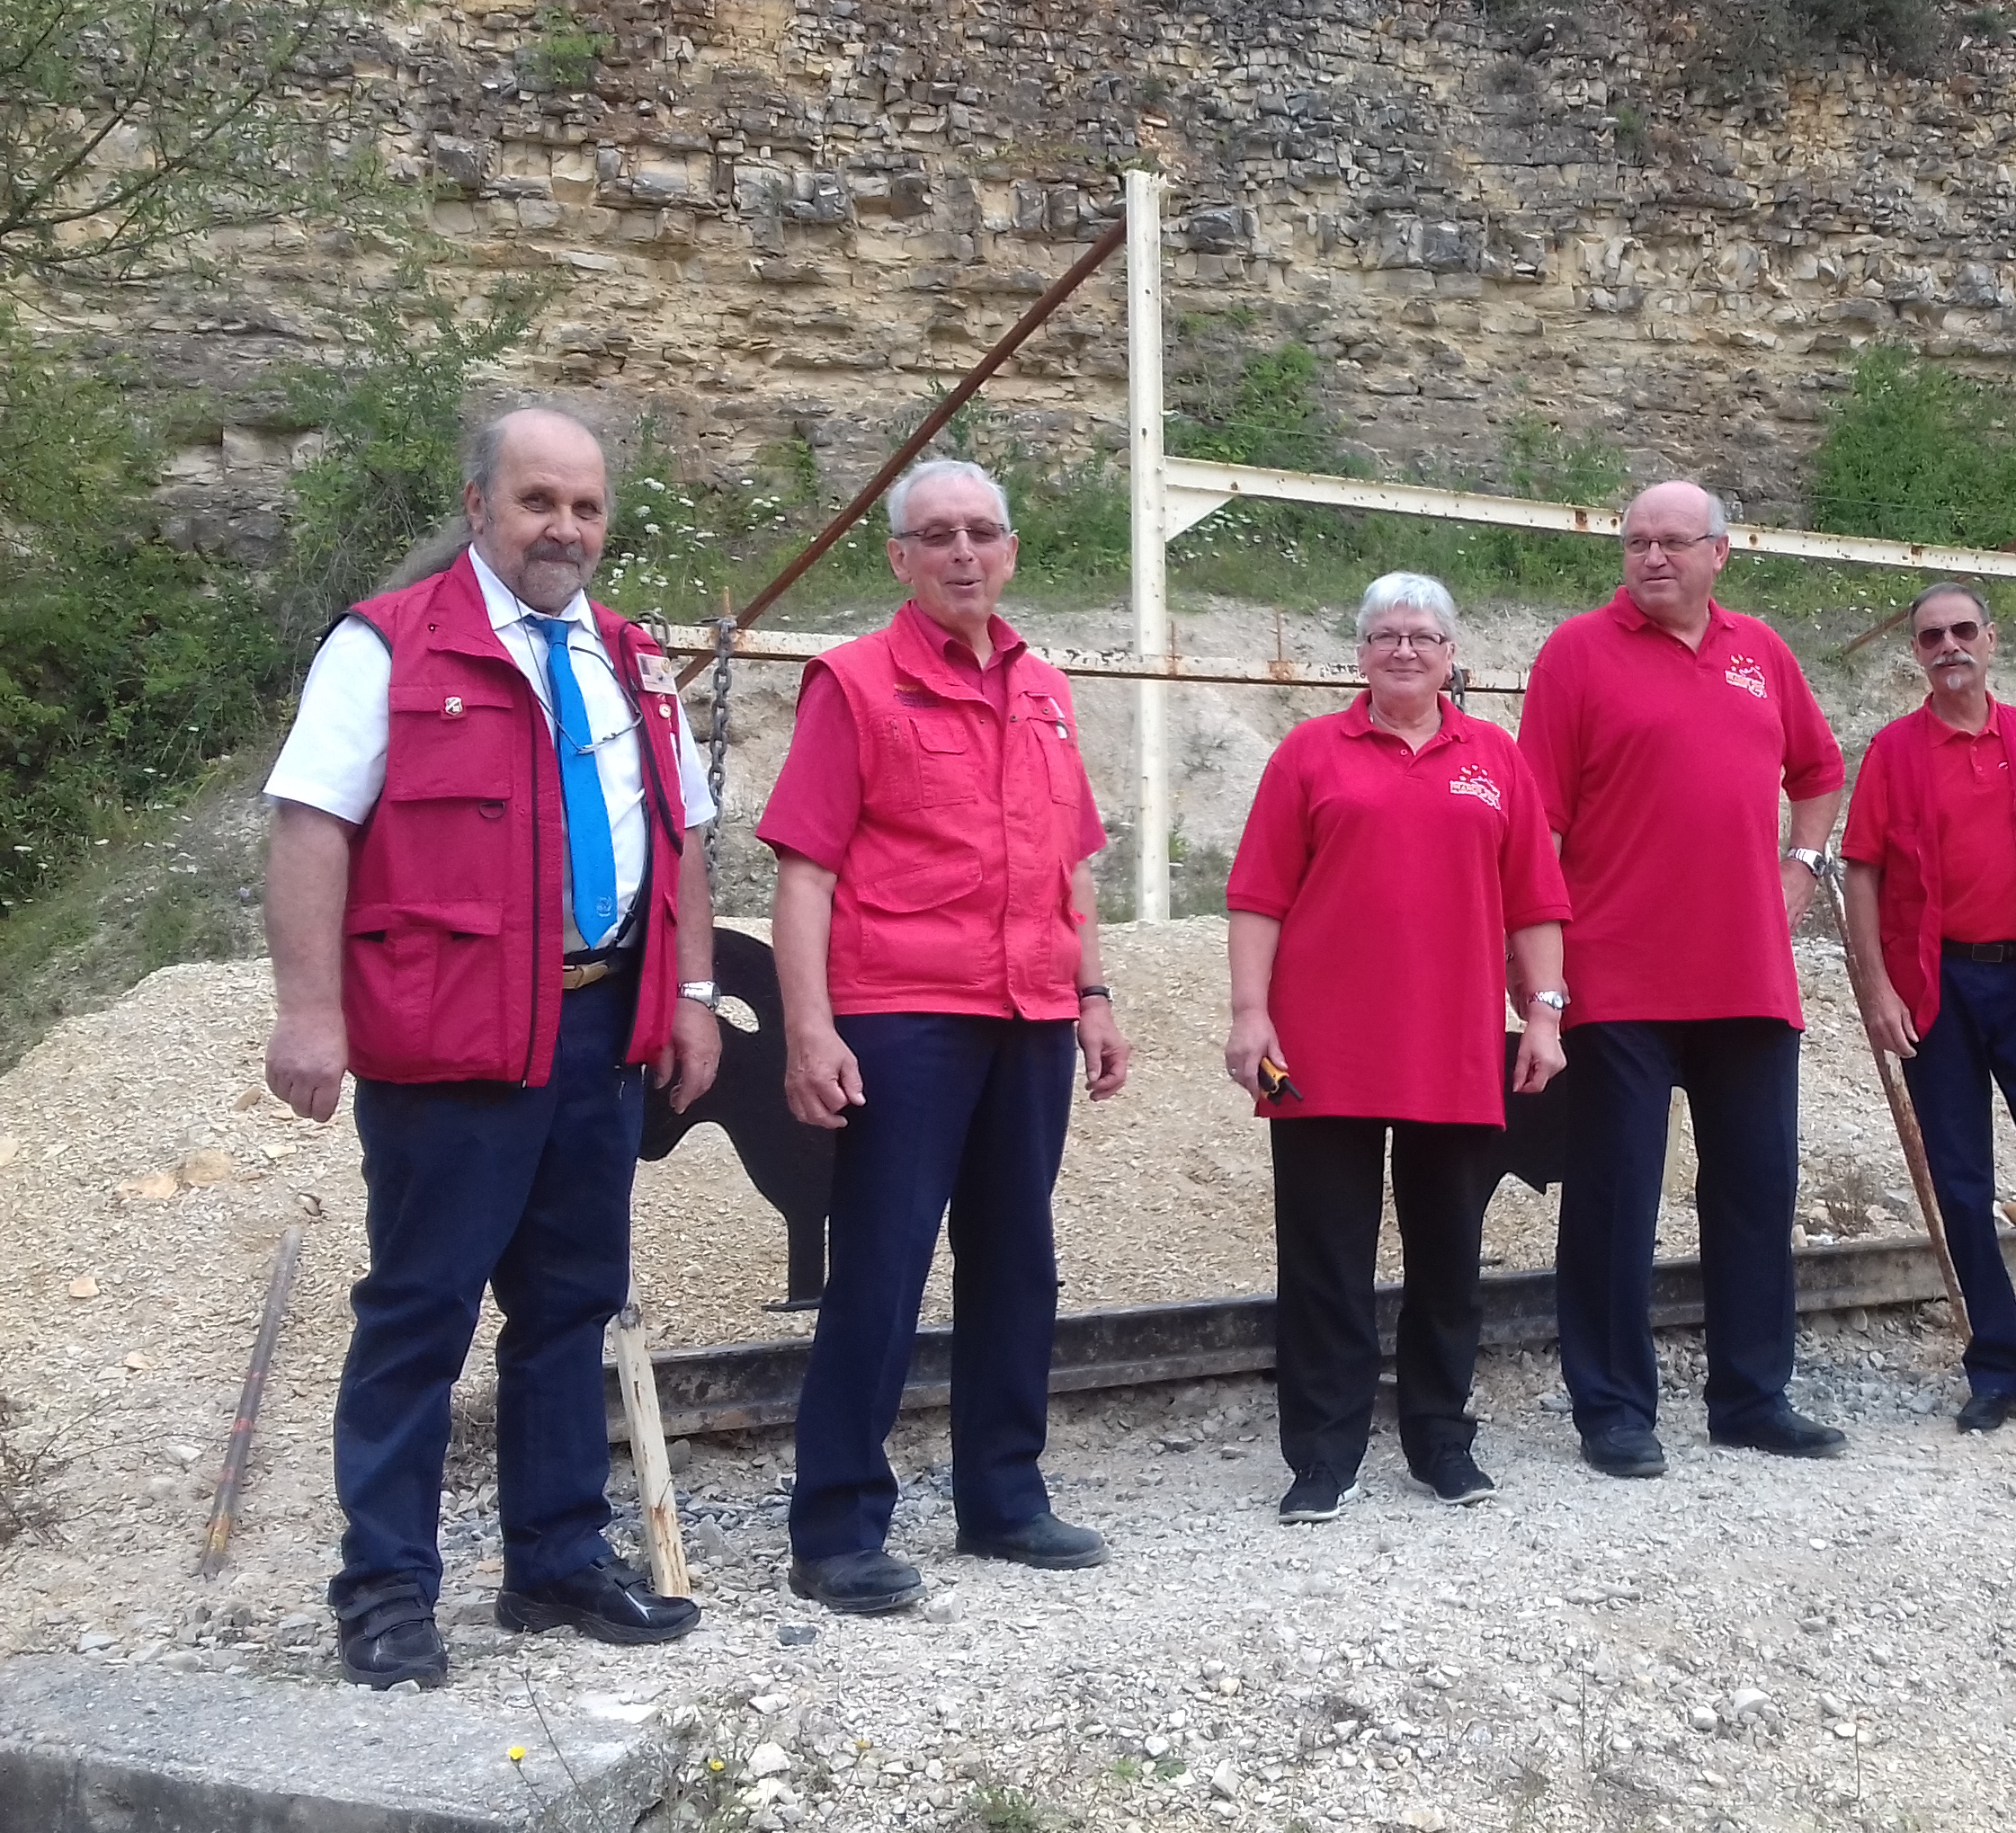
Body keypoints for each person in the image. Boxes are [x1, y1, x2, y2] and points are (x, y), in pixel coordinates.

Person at [263, 405, 721, 1691]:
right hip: (449, 1039)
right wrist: (309, 1012)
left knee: (569, 1307)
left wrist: (690, 994)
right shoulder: (385, 646)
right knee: (421, 1313)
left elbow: (682, 838)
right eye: (537, 502)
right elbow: (309, 829)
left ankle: (555, 1563)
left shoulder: (633, 660)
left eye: (585, 506)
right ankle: (385, 1592)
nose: (563, 528)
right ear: (478, 506)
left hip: (599, 1030)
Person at [757, 457, 1131, 1615]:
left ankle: (1003, 1499)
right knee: (882, 1266)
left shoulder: (1045, 689)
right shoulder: (854, 684)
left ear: (1010, 551)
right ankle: (835, 1531)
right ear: (899, 559)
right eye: (936, 535)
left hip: (1031, 1013)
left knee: (1017, 1259)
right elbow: (805, 872)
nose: (962, 552)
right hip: (904, 1015)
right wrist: (808, 1031)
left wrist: (1094, 995)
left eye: (981, 532)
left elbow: (1070, 864)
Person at [1519, 480, 1851, 1478]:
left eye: (1672, 541)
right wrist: (1536, 975)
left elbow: (1819, 771)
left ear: (1719, 553)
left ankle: (1752, 1398)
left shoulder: (1762, 653)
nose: (1652, 557)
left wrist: (1803, 866)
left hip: (1748, 975)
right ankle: (1614, 1409)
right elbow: (1535, 826)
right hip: (1617, 975)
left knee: (1756, 1187)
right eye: (1636, 542)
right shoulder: (1577, 653)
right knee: (1616, 1197)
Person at [1224, 574, 1571, 1521]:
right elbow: (1257, 896)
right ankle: (1322, 1454)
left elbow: (1536, 902)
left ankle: (1440, 1440)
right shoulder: (1308, 754)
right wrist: (1250, 1015)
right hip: (1318, 1049)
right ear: (1361, 654)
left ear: (1452, 655)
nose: (1405, 650)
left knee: (1449, 1254)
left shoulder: (1496, 758)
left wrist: (1545, 1013)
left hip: (1452, 1045)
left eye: (1422, 635)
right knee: (1324, 1258)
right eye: (1386, 636)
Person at [1840, 583, 2016, 1437]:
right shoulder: (1894, 752)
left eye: (1964, 630)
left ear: (1992, 640)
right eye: (1932, 636)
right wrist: (1878, 990)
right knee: (1961, 1185)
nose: (1949, 646)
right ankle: (1996, 1367)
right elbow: (1862, 873)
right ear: (1917, 652)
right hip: (1939, 991)